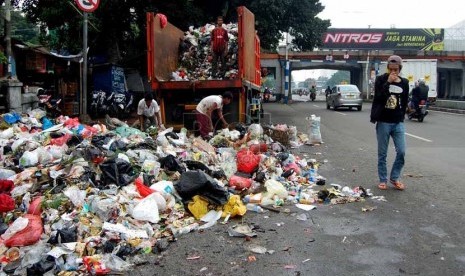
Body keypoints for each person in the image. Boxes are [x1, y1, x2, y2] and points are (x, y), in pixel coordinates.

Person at [370, 55, 409, 191]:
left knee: (402, 151)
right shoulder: (381, 79)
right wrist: (388, 82)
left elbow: (404, 101)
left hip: (398, 122)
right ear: (387, 68)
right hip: (383, 121)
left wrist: (402, 116)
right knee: (382, 153)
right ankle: (382, 180)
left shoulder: (404, 82)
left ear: (400, 69)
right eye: (391, 69)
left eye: (396, 70)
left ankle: (395, 177)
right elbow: (379, 96)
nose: (393, 72)